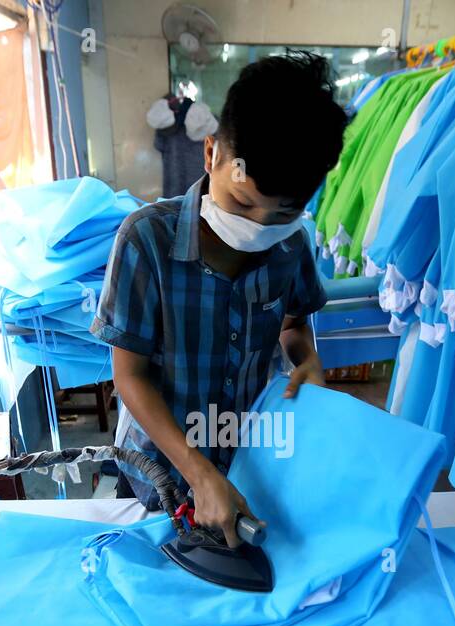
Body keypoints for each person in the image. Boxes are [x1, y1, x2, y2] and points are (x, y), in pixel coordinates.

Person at [92, 51, 348, 546]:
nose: (255, 227)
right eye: (243, 203)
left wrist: (307, 360)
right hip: (158, 470)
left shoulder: (292, 246)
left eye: (278, 216)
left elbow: (294, 325)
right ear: (211, 155)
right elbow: (130, 374)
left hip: (250, 459)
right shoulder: (146, 242)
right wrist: (198, 471)